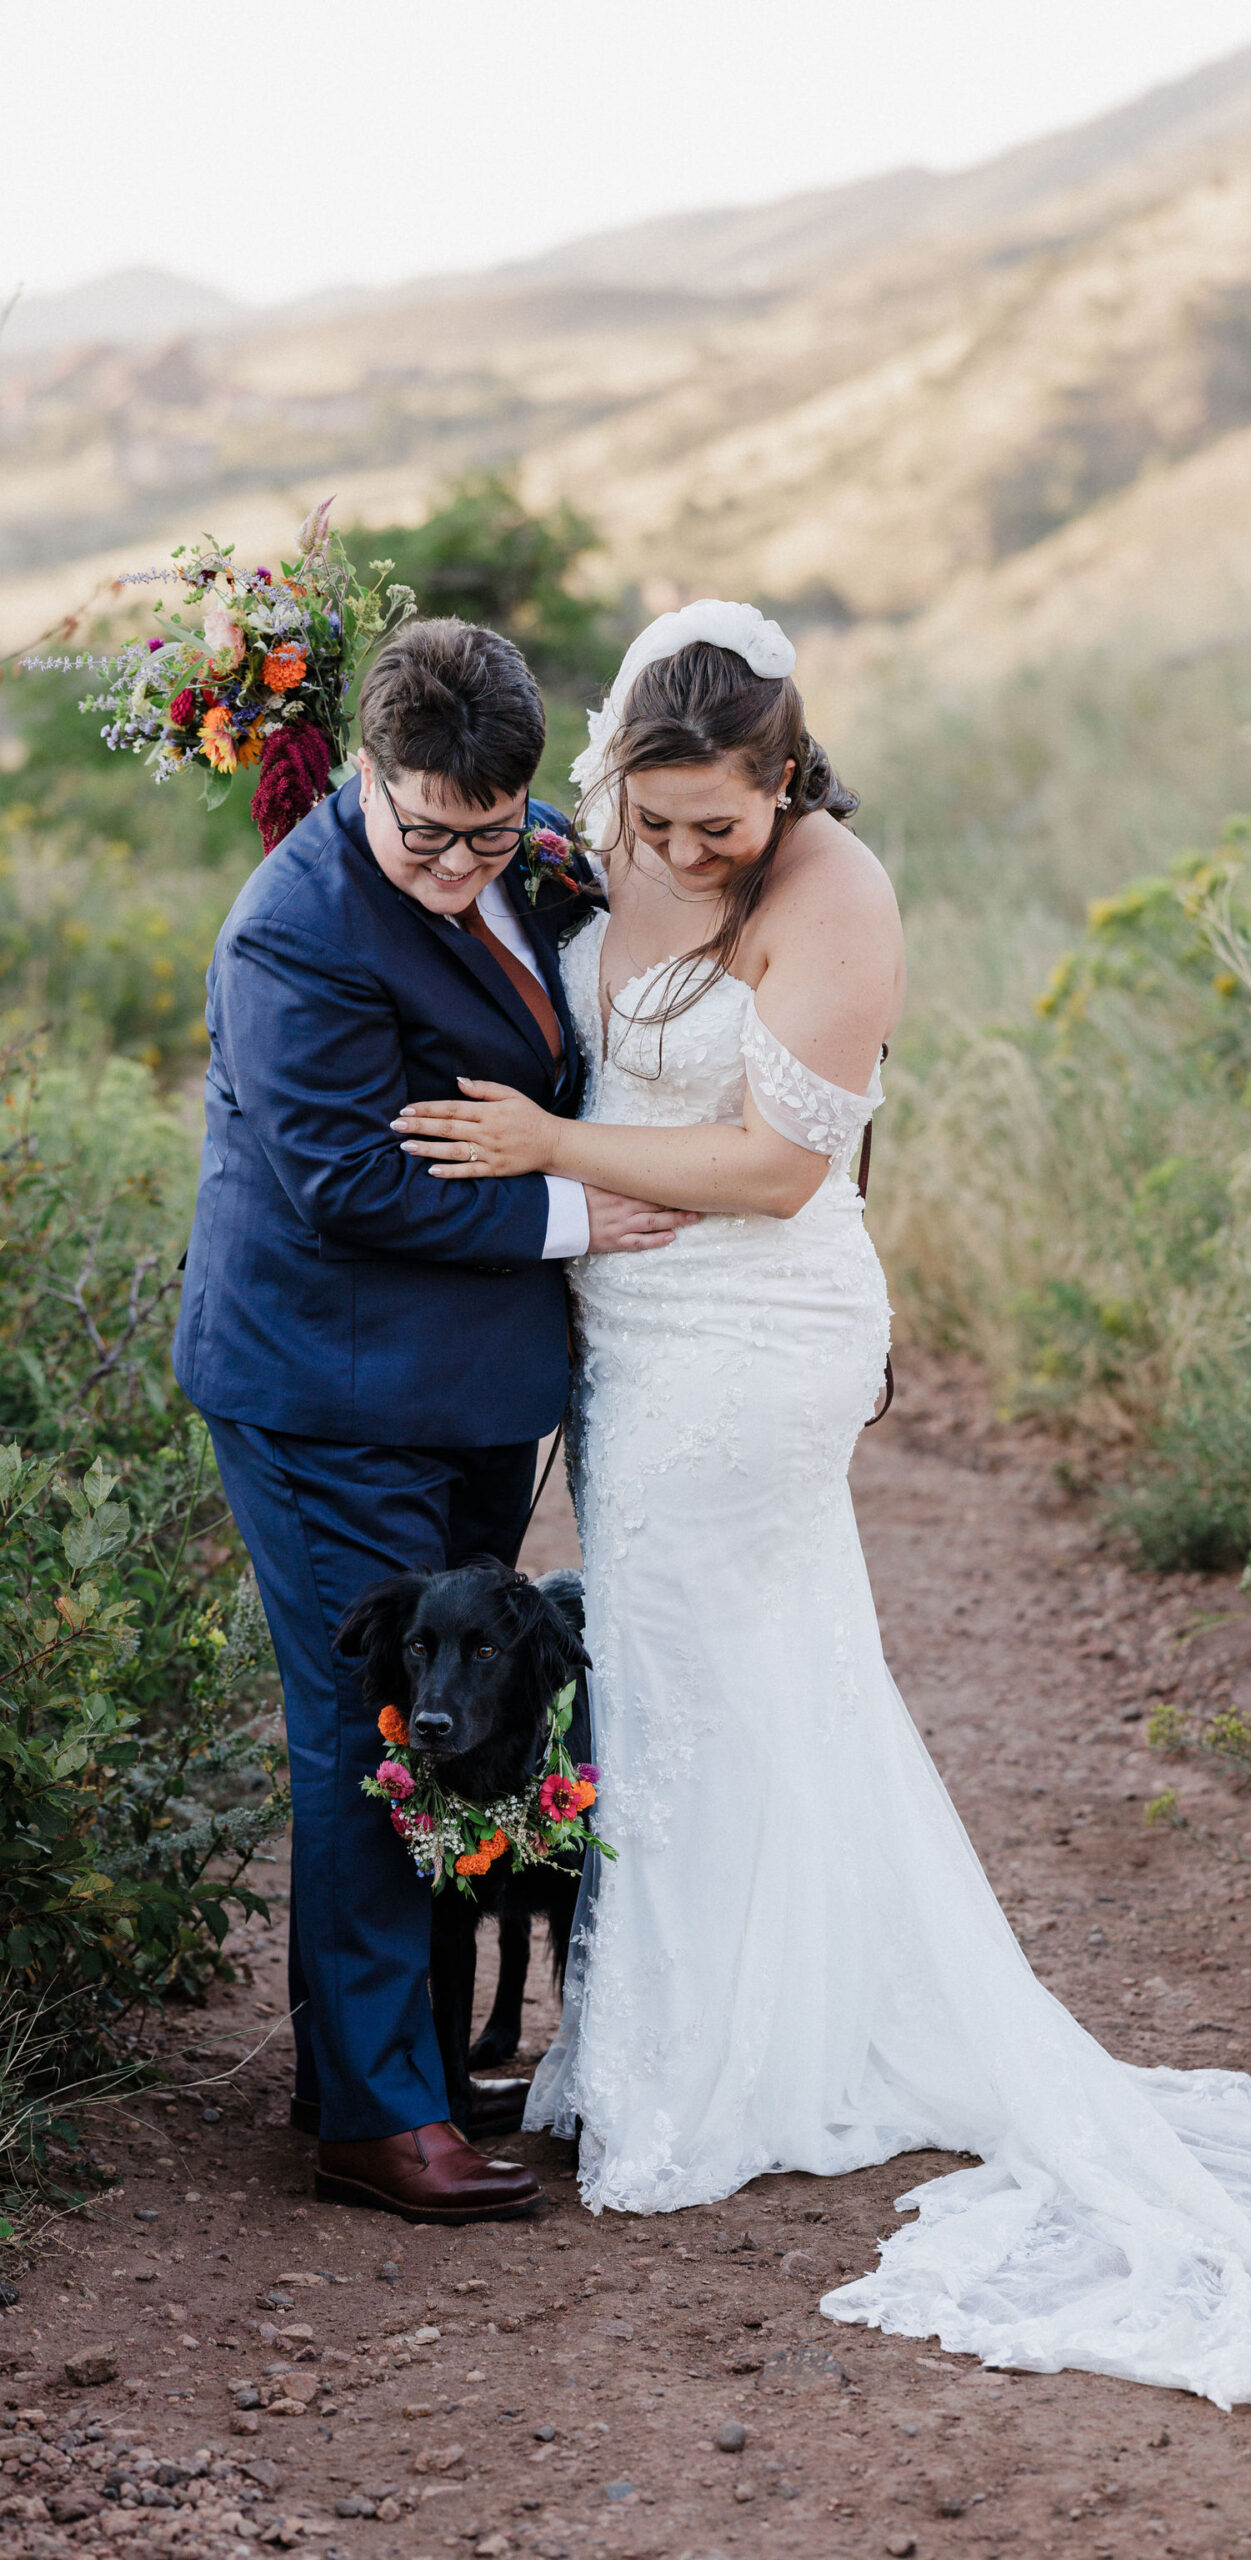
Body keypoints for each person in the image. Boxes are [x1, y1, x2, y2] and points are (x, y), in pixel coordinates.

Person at [392, 601, 1251, 2406]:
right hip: (635, 1336)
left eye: (713, 827)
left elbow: (782, 1162)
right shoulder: (616, 824)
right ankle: (745, 2029)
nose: (676, 854)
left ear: (788, 775)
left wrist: (551, 1148)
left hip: (754, 1326)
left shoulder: (837, 891)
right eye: (652, 824)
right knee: (693, 1683)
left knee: (695, 1672)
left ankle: (707, 2072)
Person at [174, 617, 696, 2223]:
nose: (469, 862)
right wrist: (575, 1215)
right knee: (369, 1738)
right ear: (366, 774)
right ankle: (377, 2118)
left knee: (461, 1716)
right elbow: (344, 1183)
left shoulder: (514, 854)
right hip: (328, 1392)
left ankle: (380, 2063)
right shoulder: (297, 933)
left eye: (493, 827)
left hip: (461, 1394)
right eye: (431, 831)